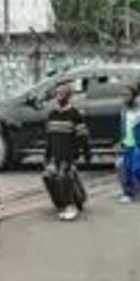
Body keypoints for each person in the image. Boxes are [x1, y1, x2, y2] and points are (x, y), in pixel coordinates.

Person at [43, 81, 89, 220]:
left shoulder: (75, 115)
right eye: (57, 94)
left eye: (62, 94)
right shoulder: (52, 115)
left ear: (69, 96)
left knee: (64, 176)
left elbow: (82, 136)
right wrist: (47, 155)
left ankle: (71, 207)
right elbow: (49, 138)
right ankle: (63, 203)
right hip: (55, 154)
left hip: (69, 153)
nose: (58, 96)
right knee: (49, 176)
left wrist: (85, 153)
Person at [118, 83, 140, 203]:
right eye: (123, 95)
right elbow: (123, 126)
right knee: (124, 168)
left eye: (127, 95)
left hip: (138, 144)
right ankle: (128, 192)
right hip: (126, 144)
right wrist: (121, 140)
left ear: (133, 96)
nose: (124, 97)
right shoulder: (123, 109)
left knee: (137, 169)